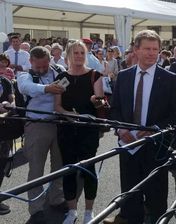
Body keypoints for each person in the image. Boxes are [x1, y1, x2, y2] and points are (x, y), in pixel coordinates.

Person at [104, 30, 176, 224]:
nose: (152, 53)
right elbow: (115, 110)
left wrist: (154, 129)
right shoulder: (124, 77)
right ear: (136, 50)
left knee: (156, 196)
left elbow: (173, 115)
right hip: (128, 146)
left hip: (155, 147)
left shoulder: (170, 79)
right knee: (130, 194)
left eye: (155, 49)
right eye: (147, 48)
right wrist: (121, 130)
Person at [54, 40, 104, 224]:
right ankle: (72, 211)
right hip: (66, 130)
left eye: (82, 53)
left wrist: (96, 101)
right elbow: (57, 106)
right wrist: (69, 115)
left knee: (88, 169)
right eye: (75, 53)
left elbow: (101, 102)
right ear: (68, 55)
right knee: (69, 170)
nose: (79, 56)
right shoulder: (60, 77)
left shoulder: (95, 75)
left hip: (88, 131)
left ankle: (89, 211)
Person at [17, 46, 66, 224]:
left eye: (45, 66)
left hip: (59, 124)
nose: (41, 69)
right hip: (37, 125)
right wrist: (47, 88)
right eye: (38, 66)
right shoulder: (25, 75)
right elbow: (25, 87)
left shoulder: (59, 72)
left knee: (59, 165)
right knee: (36, 169)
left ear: (49, 61)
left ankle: (56, 198)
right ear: (31, 61)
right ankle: (36, 208)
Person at [0, 75, 14, 216]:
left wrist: (11, 104)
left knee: (2, 164)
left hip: (3, 132)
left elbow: (12, 97)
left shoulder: (4, 81)